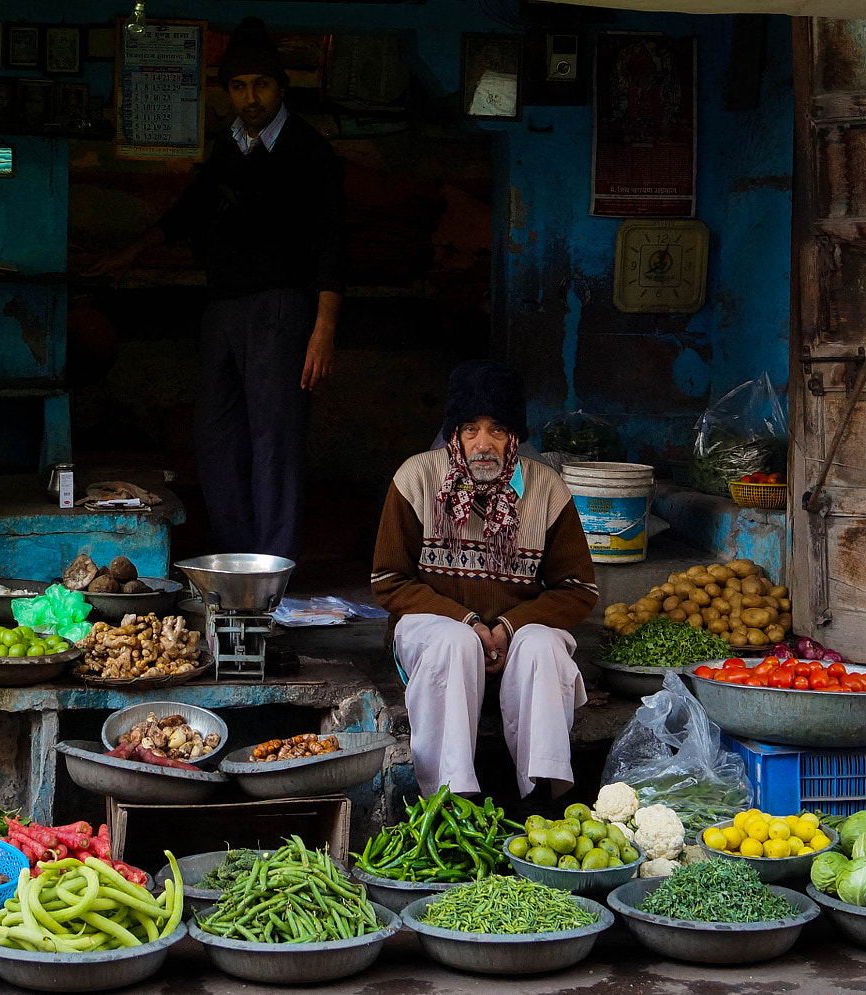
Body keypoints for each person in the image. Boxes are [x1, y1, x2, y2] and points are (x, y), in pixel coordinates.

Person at [85, 17, 347, 560]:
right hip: (222, 309)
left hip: (280, 308)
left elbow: (331, 244)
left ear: (281, 87)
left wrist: (324, 330)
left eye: (262, 85)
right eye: (238, 86)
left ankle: (273, 567)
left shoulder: (308, 151)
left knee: (274, 442)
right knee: (217, 440)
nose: (250, 98)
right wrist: (134, 248)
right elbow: (191, 210)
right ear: (226, 91)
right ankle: (236, 562)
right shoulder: (227, 146)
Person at [371, 359, 599, 799]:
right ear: (453, 433)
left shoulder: (546, 488)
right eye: (470, 429)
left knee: (545, 647)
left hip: (514, 639)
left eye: (497, 430)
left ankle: (542, 800)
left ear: (515, 437)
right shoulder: (416, 478)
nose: (483, 444)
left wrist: (508, 628)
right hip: (439, 633)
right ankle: (452, 802)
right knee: (454, 643)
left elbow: (579, 589)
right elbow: (388, 580)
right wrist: (469, 621)